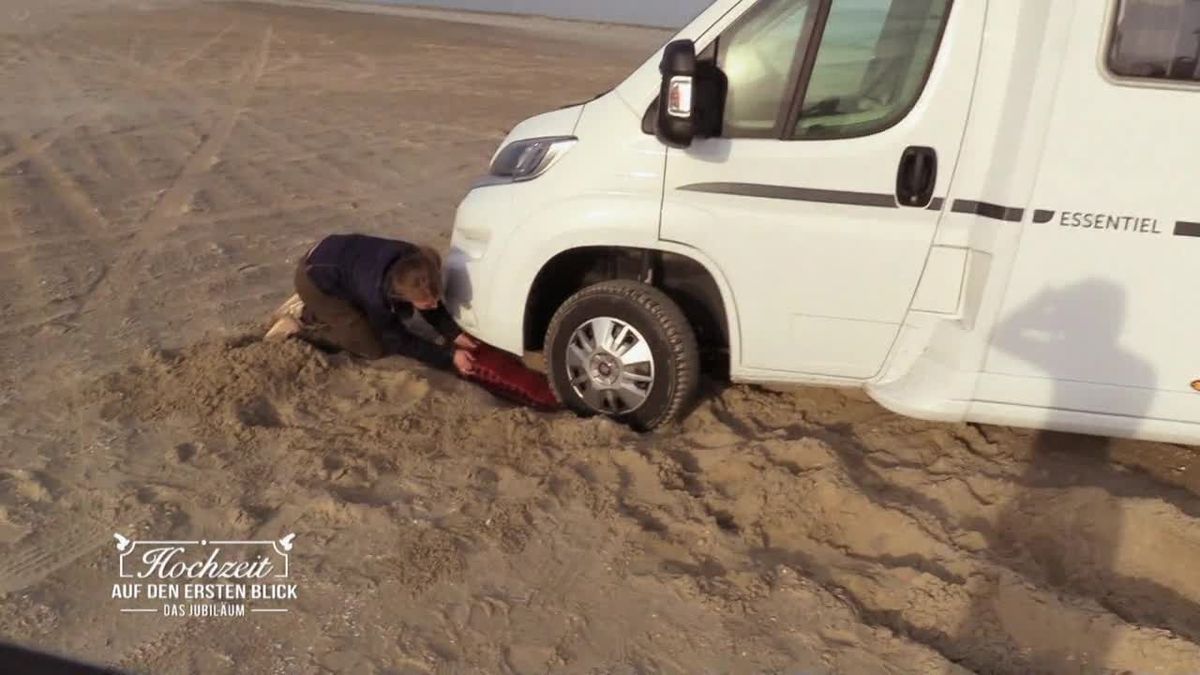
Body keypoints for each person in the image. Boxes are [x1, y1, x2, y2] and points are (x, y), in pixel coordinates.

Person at [266, 233, 477, 374]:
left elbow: (429, 299)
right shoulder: (377, 295)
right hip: (313, 279)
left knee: (395, 313)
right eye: (425, 302)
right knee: (372, 347)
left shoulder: (416, 262)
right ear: (399, 293)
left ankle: (322, 306)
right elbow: (398, 340)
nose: (433, 305)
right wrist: (449, 357)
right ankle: (303, 318)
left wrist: (453, 333)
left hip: (338, 260)